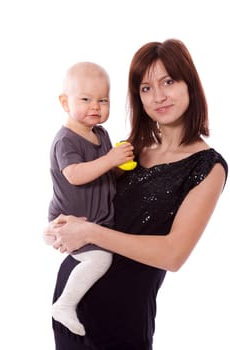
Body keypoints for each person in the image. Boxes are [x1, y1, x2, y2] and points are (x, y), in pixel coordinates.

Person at [45, 39, 228, 350]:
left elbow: (173, 255)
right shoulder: (131, 148)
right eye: (145, 88)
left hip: (123, 319)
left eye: (168, 81)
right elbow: (85, 195)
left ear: (190, 84)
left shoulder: (209, 167)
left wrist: (89, 231)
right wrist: (58, 229)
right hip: (72, 307)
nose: (158, 96)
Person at [47, 61, 134, 336]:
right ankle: (64, 304)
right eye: (85, 99)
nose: (95, 106)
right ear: (64, 102)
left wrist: (119, 164)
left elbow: (104, 174)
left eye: (103, 100)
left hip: (94, 221)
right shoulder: (67, 140)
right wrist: (109, 160)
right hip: (72, 220)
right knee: (100, 261)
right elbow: (74, 175)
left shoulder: (101, 134)